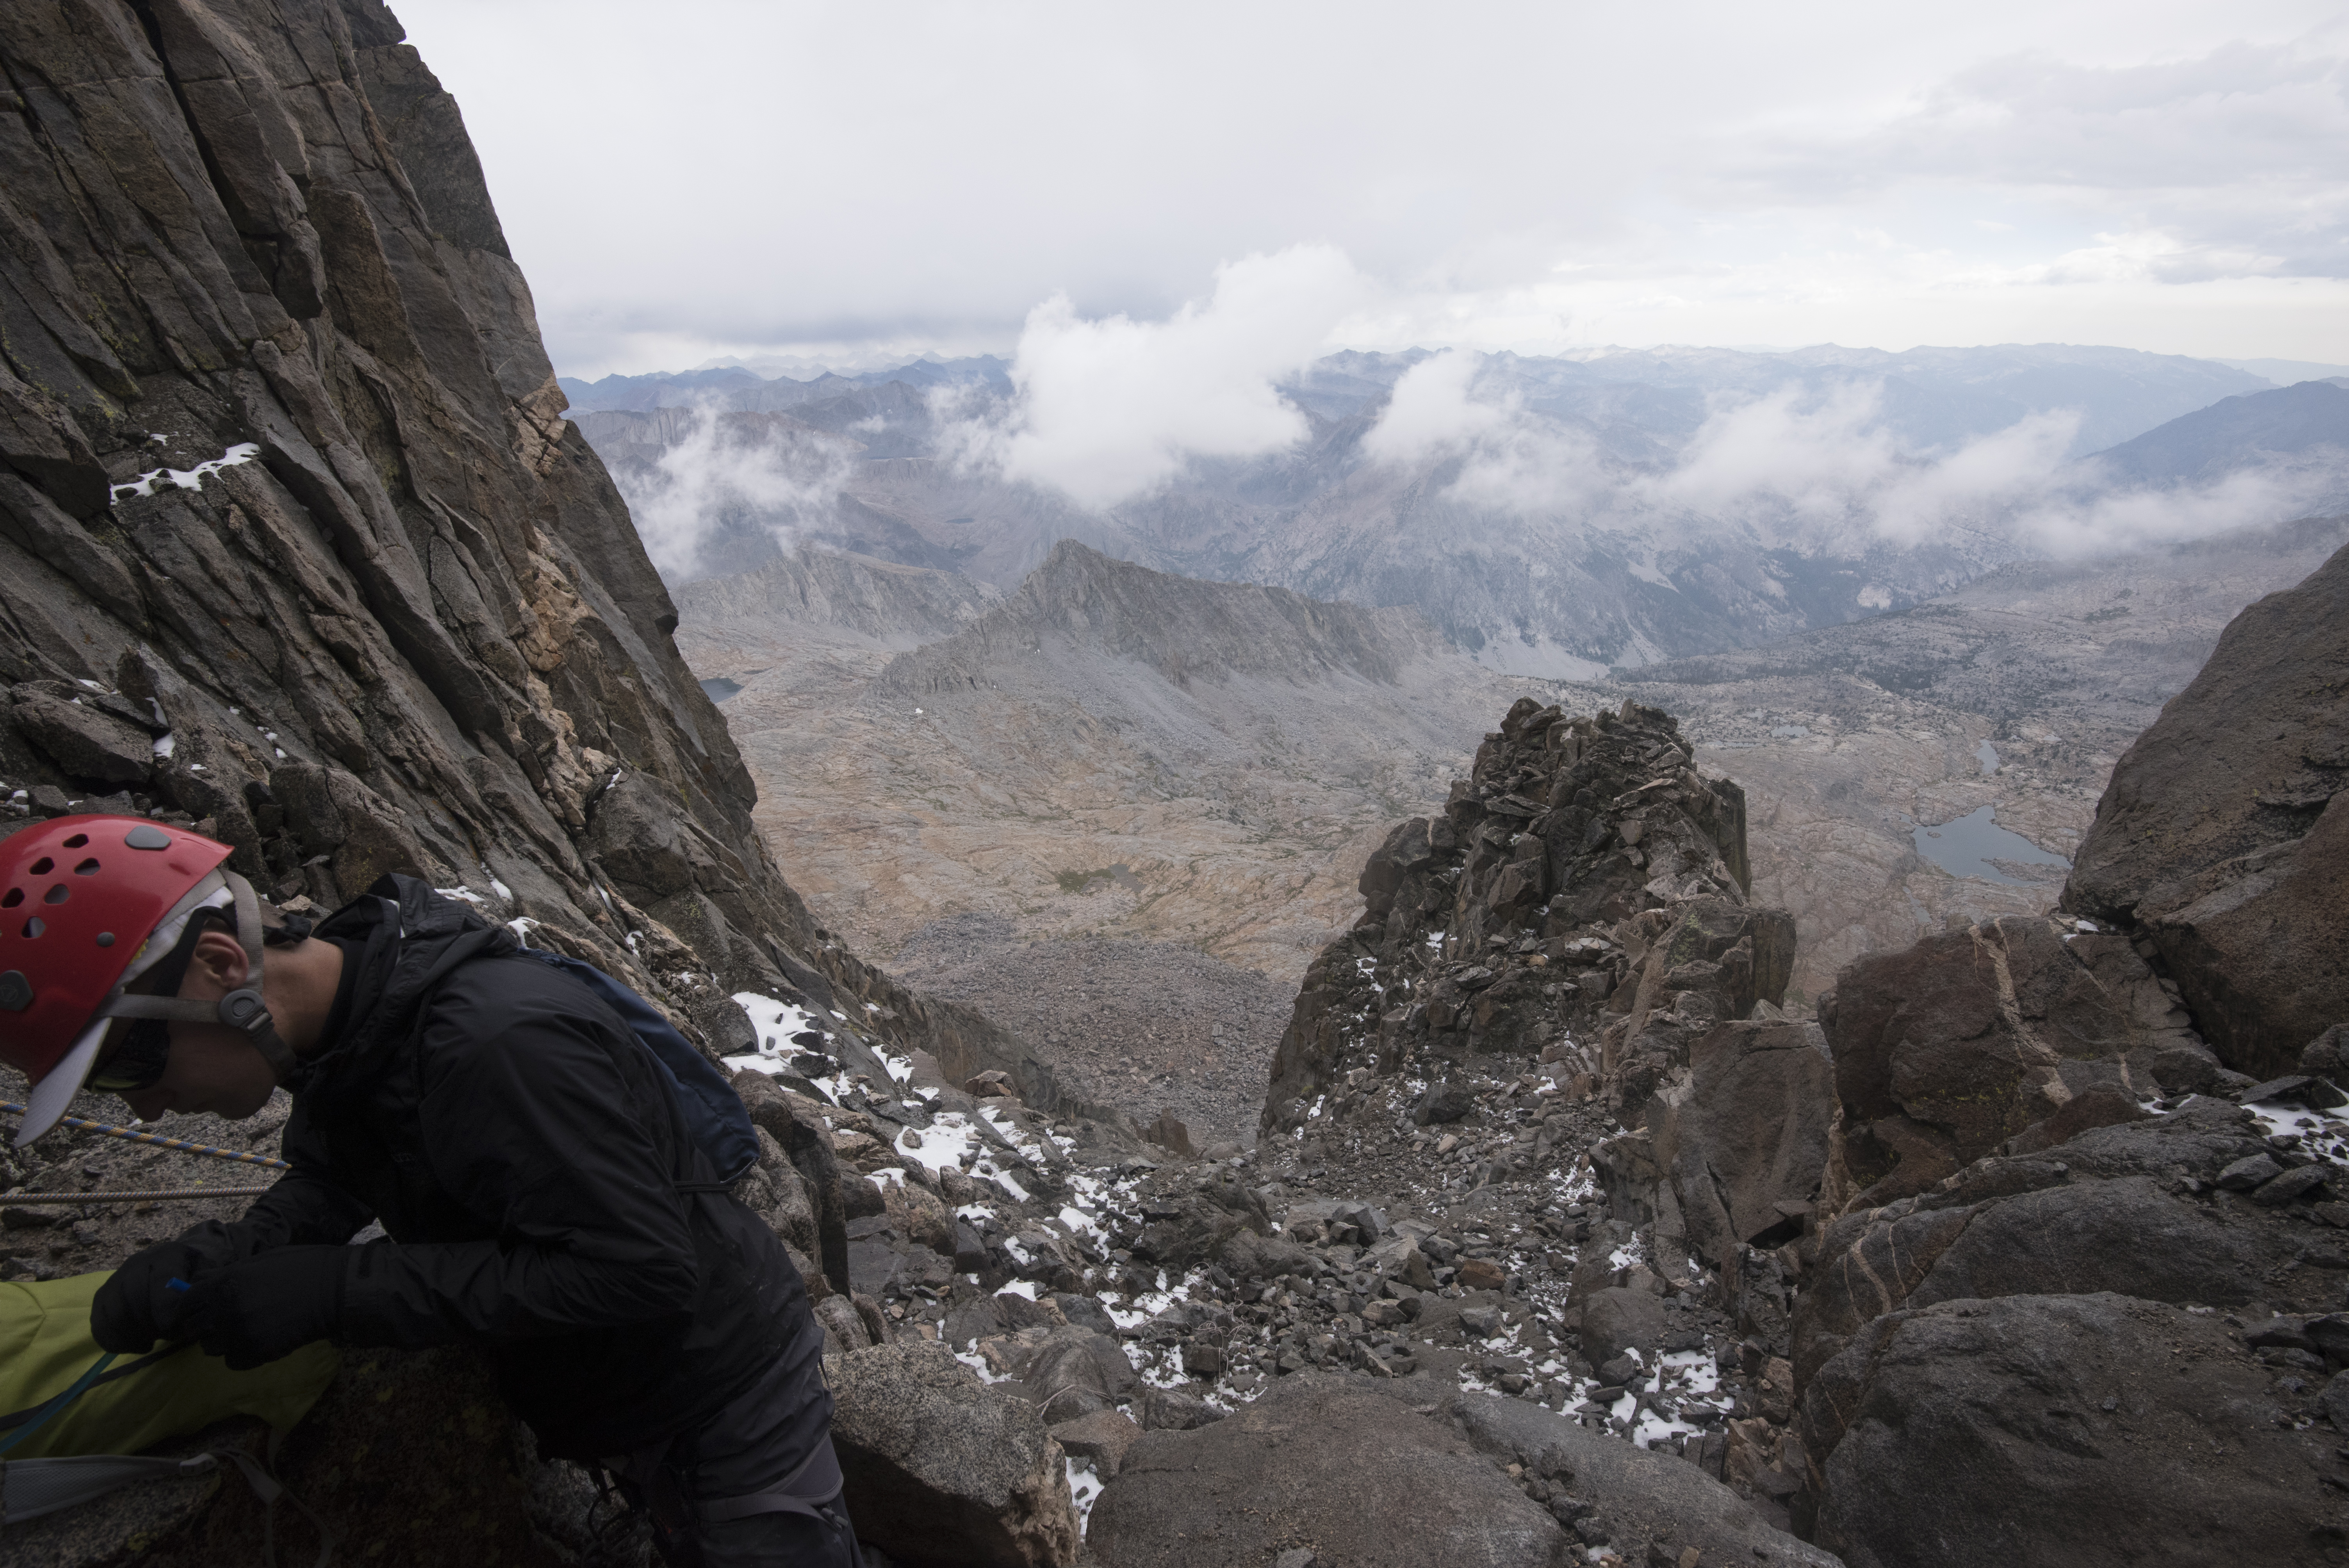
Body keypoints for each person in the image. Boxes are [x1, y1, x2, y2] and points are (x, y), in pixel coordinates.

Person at [0, 815, 854, 1566]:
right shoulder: (350, 1016)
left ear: (221, 967)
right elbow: (338, 1172)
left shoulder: (497, 1044)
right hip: (625, 1388)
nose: (146, 1109)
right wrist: (237, 1253)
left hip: (725, 1390)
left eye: (128, 1066)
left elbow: (641, 1271)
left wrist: (336, 1290)